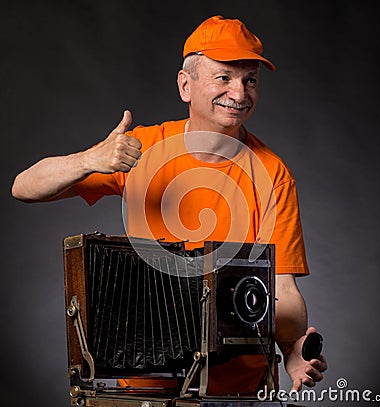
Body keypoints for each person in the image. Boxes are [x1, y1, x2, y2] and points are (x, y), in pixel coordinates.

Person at [12, 15, 327, 397]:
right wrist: (91, 159)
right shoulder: (144, 150)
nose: (240, 94)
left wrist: (292, 350)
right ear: (185, 85)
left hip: (239, 389)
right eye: (223, 77)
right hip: (147, 383)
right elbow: (24, 187)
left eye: (250, 80)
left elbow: (283, 289)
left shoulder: (272, 174)